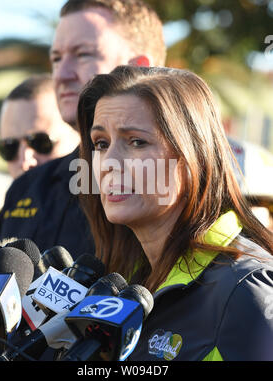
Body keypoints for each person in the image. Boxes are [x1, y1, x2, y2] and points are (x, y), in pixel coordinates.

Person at [77, 65, 273, 361]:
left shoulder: (247, 290)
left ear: (193, 155)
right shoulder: (122, 282)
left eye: (136, 141)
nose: (108, 162)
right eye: (101, 144)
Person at [0, 0, 166, 257]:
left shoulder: (169, 190)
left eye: (83, 55)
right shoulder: (28, 187)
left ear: (139, 67)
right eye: (56, 58)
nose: (62, 74)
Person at [0, 74, 79, 238]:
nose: (25, 161)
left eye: (40, 143)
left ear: (79, 137)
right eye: (9, 147)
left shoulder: (108, 222)